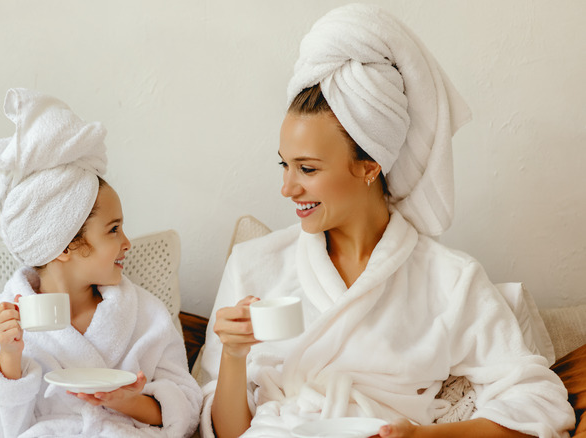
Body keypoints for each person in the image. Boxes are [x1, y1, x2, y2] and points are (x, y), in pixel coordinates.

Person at [199, 4, 574, 438]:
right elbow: (225, 432)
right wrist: (233, 354)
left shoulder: (448, 280)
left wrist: (423, 436)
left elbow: (539, 403)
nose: (287, 188)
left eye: (308, 169)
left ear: (370, 166)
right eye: (284, 165)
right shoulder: (253, 264)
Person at [0, 88, 201, 438]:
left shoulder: (146, 316)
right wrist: (10, 358)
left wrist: (122, 400)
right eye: (113, 229)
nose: (126, 243)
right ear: (64, 244)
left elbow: (185, 411)